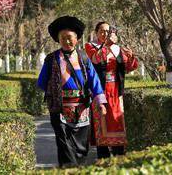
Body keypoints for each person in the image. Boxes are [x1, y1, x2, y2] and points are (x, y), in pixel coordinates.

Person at [37, 16, 107, 168]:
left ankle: (79, 168)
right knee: (64, 146)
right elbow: (42, 82)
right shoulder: (51, 59)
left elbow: (94, 81)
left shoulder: (84, 58)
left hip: (82, 109)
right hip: (60, 109)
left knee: (82, 148)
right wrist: (54, 93)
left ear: (77, 38)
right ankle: (69, 170)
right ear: (58, 39)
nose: (67, 41)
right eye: (63, 38)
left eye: (70, 38)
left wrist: (101, 102)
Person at [85, 21, 138, 159]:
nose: (105, 34)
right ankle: (103, 158)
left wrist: (131, 56)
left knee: (117, 121)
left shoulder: (118, 49)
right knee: (101, 123)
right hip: (99, 91)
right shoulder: (90, 46)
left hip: (115, 91)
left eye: (108, 31)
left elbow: (130, 67)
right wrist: (107, 45)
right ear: (96, 33)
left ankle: (119, 155)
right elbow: (96, 59)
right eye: (101, 31)